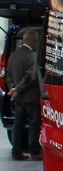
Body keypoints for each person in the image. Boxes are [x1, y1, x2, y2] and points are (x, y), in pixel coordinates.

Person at [8, 30, 42, 161]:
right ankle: (34, 151)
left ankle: (16, 152)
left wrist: (13, 88)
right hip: (31, 97)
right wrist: (18, 89)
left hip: (18, 97)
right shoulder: (32, 56)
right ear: (34, 42)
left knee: (18, 125)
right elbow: (30, 76)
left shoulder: (13, 55)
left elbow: (8, 74)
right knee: (34, 124)